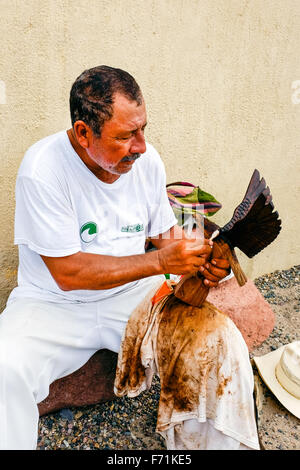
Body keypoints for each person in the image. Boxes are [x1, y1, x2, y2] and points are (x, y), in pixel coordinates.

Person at [0, 66, 259, 450]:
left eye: (142, 130)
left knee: (220, 341)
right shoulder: (43, 170)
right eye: (125, 136)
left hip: (132, 293)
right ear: (83, 132)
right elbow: (67, 273)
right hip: (53, 303)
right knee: (5, 370)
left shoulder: (146, 160)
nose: (139, 146)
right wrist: (160, 263)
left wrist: (200, 258)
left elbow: (163, 233)